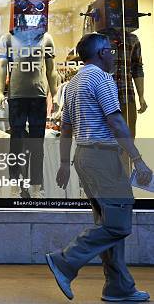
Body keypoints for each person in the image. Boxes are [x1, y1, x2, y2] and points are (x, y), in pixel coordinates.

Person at [47, 33, 153, 302]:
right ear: (102, 53)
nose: (115, 56)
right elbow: (116, 122)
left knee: (107, 223)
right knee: (118, 223)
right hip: (103, 158)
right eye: (112, 51)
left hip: (84, 158)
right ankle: (66, 260)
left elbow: (66, 129)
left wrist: (63, 163)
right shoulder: (101, 79)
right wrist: (138, 160)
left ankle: (119, 286)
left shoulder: (71, 85)